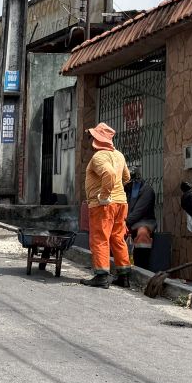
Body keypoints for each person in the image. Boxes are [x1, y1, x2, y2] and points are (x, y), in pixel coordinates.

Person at [82, 122, 132, 287]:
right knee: (118, 238)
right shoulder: (119, 155)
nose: (90, 141)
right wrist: (115, 191)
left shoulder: (99, 157)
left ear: (97, 139)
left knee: (100, 238)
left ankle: (102, 276)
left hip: (103, 205)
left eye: (92, 137)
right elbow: (126, 178)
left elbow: (109, 174)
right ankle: (124, 276)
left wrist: (104, 195)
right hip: (120, 203)